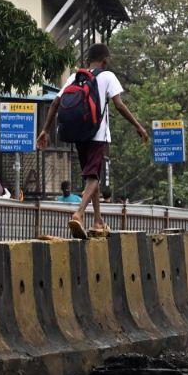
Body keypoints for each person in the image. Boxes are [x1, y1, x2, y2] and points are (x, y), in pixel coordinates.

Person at [36, 43, 149, 239]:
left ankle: (97, 220)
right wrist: (138, 126)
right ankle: (79, 214)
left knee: (91, 176)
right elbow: (119, 105)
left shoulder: (75, 77)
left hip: (79, 135)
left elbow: (56, 102)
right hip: (98, 135)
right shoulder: (108, 76)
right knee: (93, 177)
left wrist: (45, 130)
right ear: (105, 60)